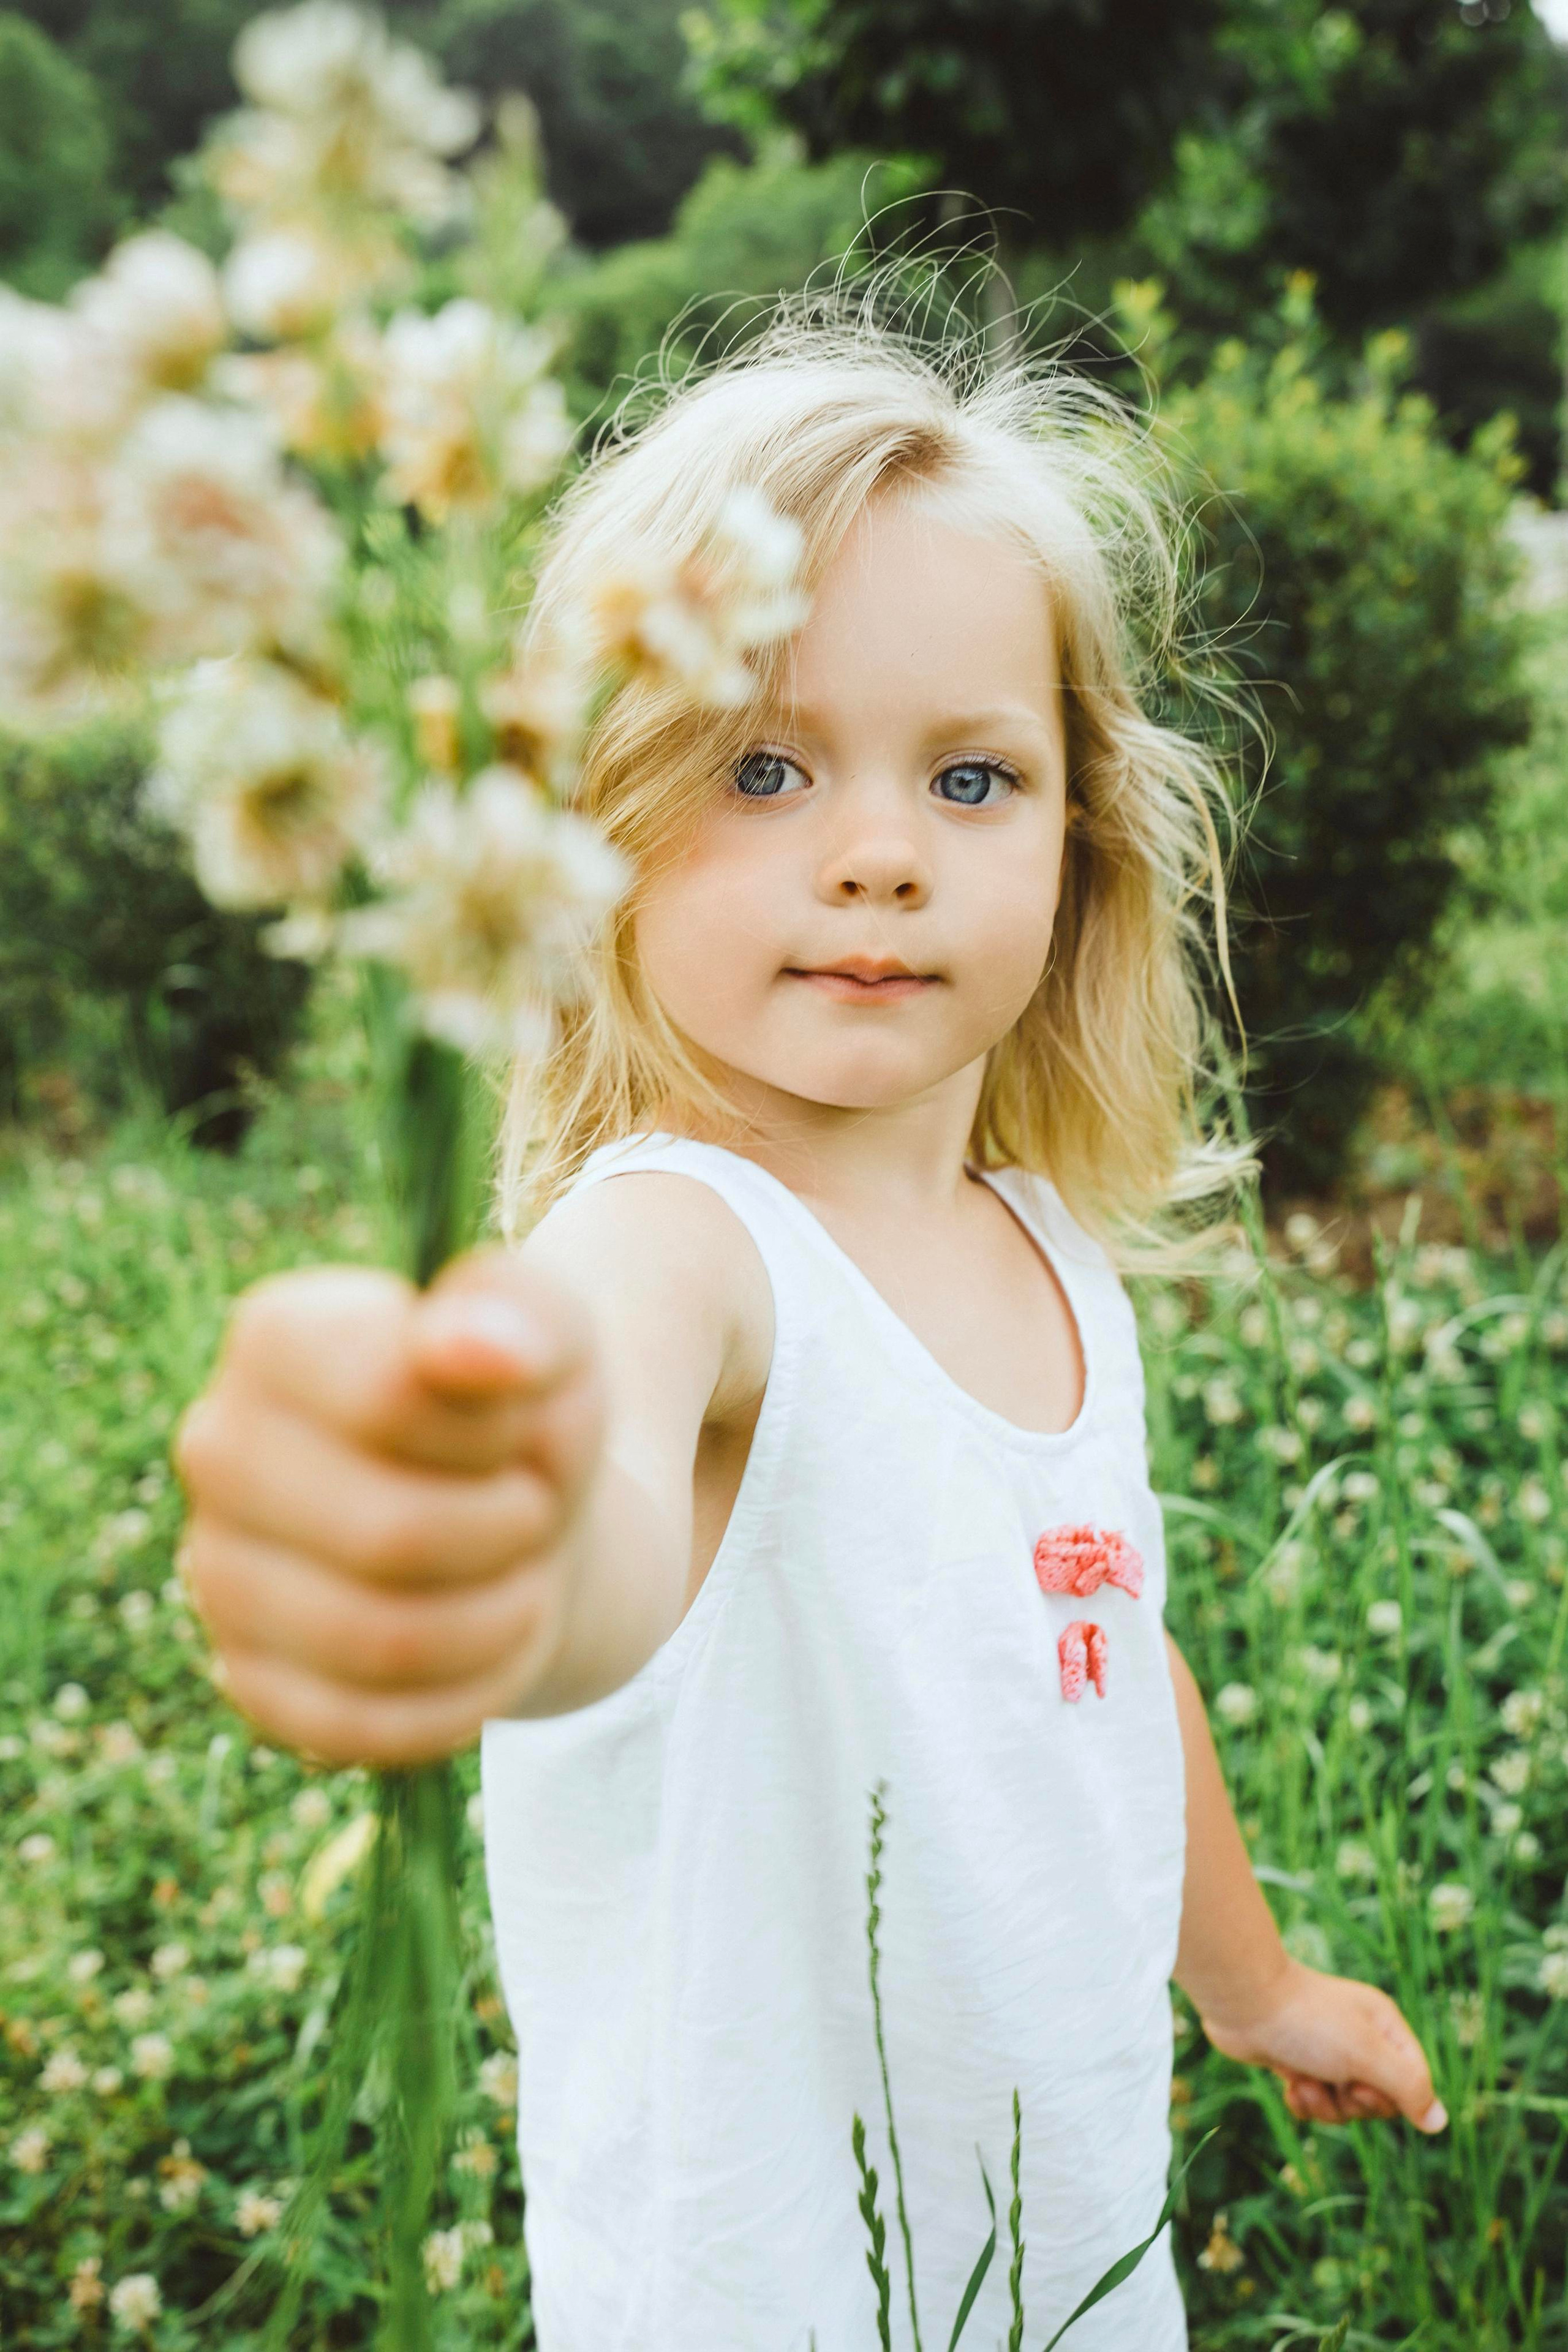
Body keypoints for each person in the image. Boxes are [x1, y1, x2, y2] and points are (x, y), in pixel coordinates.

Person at [174, 316, 1444, 2350]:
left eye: (972, 773)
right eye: (763, 766)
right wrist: (465, 1525)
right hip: (770, 2293)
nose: (878, 847)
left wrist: (1257, 1985)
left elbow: (1099, 1657)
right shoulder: (682, 1251)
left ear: (1082, 837)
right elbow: (582, 1484)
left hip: (1078, 2259)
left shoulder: (1040, 1252)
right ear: (596, 813)